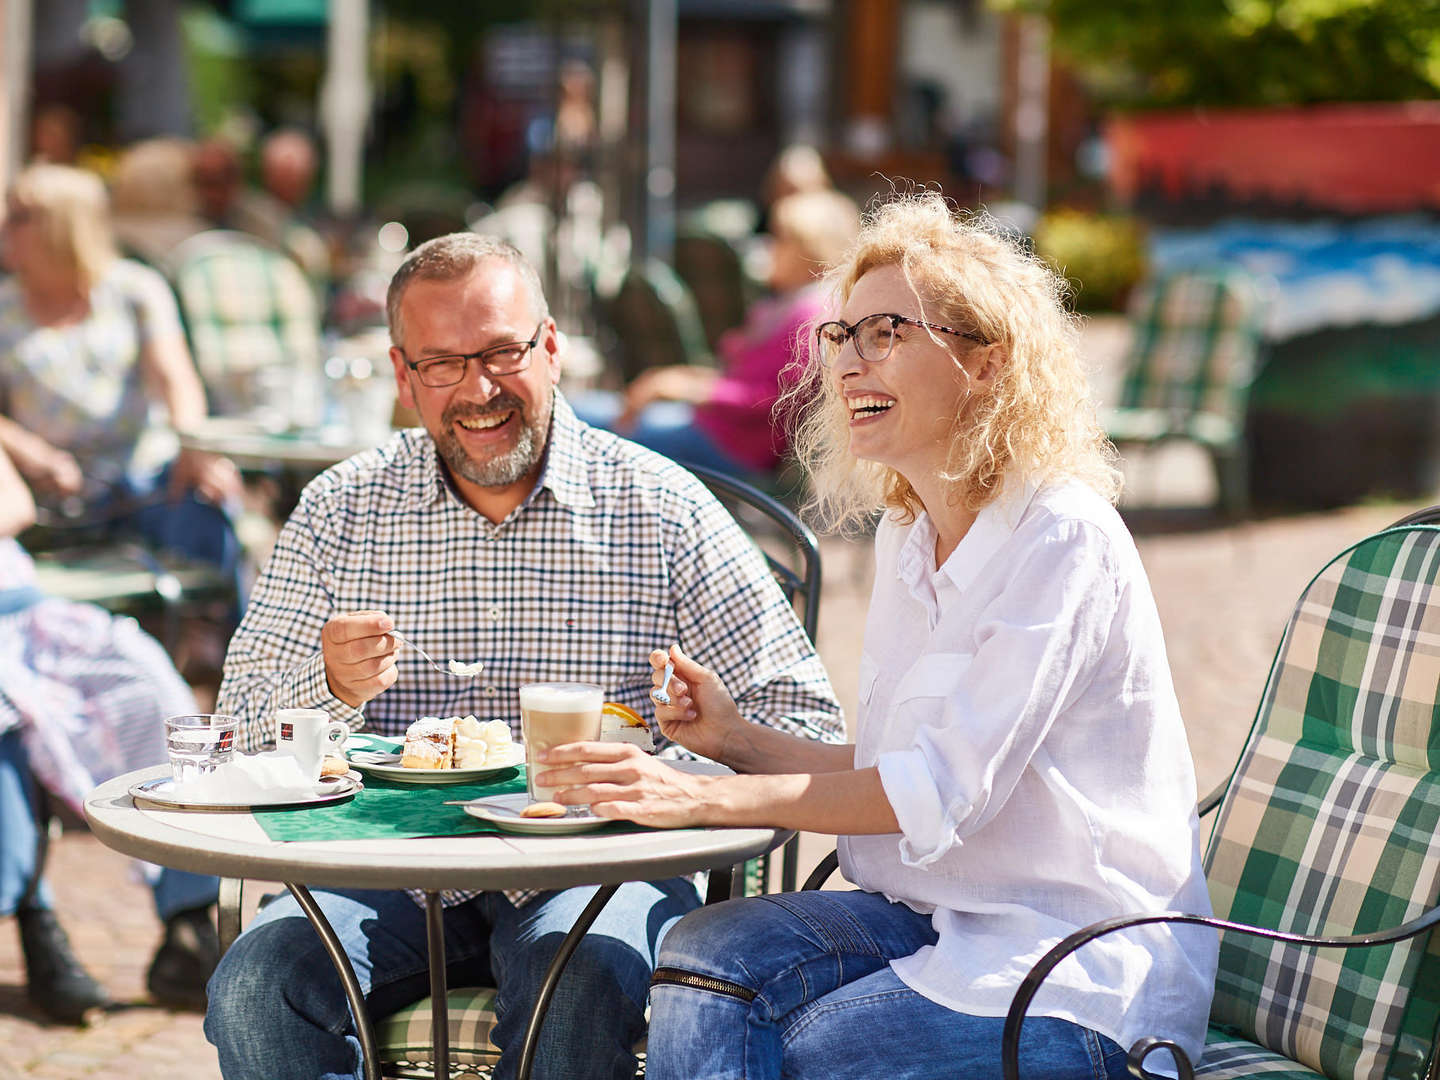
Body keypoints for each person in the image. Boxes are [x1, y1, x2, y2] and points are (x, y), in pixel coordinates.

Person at [539, 192, 1220, 1079]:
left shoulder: (1064, 538)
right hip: (936, 920)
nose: (849, 364)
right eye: (842, 336)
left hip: (1077, 966)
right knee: (700, 956)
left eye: (886, 333)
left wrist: (696, 796)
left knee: (812, 1049)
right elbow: (897, 765)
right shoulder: (909, 533)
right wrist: (734, 741)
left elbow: (933, 790)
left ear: (986, 361)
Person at [202, 232, 843, 1080]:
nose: (477, 389)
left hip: (597, 868)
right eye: (443, 364)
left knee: (573, 982)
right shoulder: (342, 510)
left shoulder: (661, 508)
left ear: (550, 346)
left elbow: (804, 722)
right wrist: (325, 686)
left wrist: (687, 756)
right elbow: (232, 733)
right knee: (255, 985)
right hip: (388, 867)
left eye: (502, 352)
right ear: (404, 375)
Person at [0, 444, 221, 1020]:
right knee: (9, 731)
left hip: (26, 611)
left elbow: (13, 504)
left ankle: (188, 921)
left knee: (156, 693)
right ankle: (37, 924)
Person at [0, 163, 243, 590]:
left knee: (214, 501)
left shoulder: (133, 289)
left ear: (62, 226)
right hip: (52, 492)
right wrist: (30, 451)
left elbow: (175, 379)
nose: (5, 226)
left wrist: (192, 445)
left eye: (19, 216)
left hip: (143, 476)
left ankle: (228, 643)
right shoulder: (5, 307)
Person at [572, 188, 861, 480]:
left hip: (735, 446)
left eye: (779, 240)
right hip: (717, 429)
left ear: (807, 248)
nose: (767, 248)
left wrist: (689, 389)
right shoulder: (788, 304)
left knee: (582, 419)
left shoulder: (811, 315)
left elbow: (776, 400)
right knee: (590, 410)